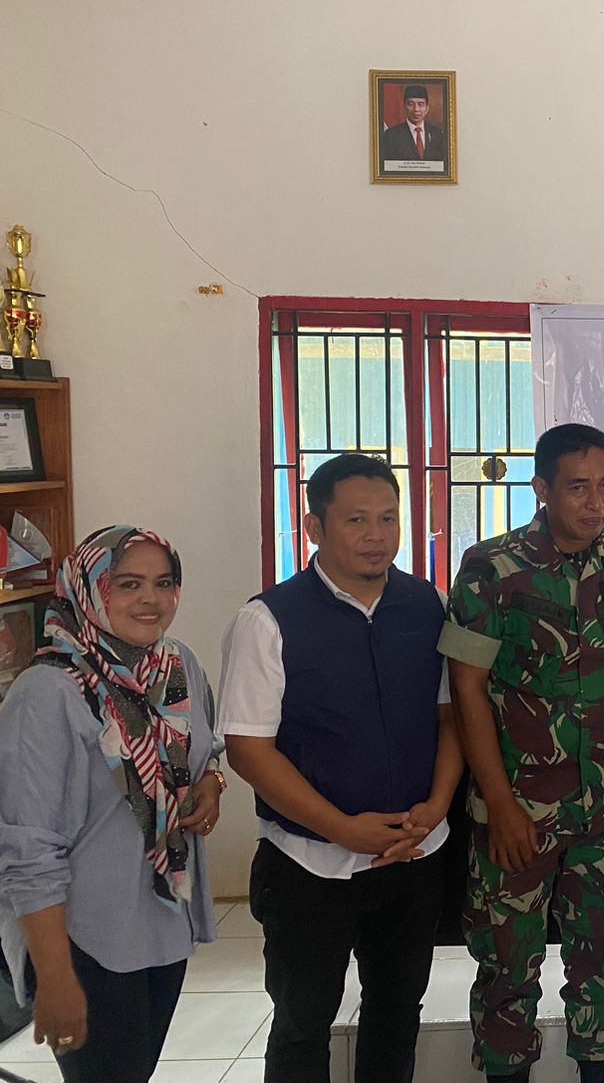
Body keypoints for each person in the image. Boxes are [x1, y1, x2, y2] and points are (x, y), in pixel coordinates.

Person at [220, 453, 463, 1083]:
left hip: (414, 854)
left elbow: (450, 718)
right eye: (356, 520)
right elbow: (249, 749)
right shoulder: (267, 619)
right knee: (302, 1023)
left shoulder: (428, 604)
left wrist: (437, 807)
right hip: (309, 864)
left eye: (388, 518)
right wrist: (342, 829)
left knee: (396, 1013)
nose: (376, 535)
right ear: (314, 527)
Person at [441, 422, 604, 1083]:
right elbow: (466, 689)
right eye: (578, 487)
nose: (596, 502)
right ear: (542, 489)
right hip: (520, 805)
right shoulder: (491, 568)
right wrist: (501, 804)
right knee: (507, 966)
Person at [0, 526, 225, 1082]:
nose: (151, 599)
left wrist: (212, 783)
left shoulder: (175, 666)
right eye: (128, 584)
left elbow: (202, 752)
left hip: (163, 924)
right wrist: (55, 979)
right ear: (88, 589)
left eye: (164, 583)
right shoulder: (48, 693)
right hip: (85, 940)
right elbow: (28, 852)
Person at [380, 83, 447, 161]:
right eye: (411, 104)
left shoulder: (438, 134)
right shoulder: (391, 135)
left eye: (420, 104)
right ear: (404, 107)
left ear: (427, 108)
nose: (416, 109)